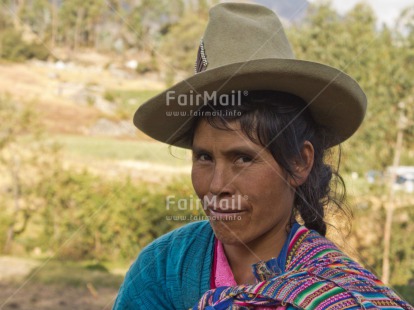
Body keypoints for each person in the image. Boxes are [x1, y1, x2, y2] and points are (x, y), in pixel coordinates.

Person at [114, 3, 413, 309]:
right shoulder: (164, 270)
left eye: (243, 158)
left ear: (299, 162)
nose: (217, 186)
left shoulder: (342, 296)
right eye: (204, 157)